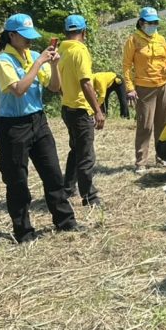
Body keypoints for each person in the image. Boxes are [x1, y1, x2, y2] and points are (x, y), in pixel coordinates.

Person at [0, 13, 82, 243]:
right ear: (11, 36)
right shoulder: (3, 60)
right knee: (17, 182)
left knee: (53, 174)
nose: (29, 41)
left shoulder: (33, 56)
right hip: (13, 127)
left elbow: (54, 86)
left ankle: (65, 221)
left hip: (38, 121)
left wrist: (53, 65)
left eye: (31, 36)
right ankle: (24, 231)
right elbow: (18, 89)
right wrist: (39, 62)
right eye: (25, 36)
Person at [123, 6, 166, 172]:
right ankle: (141, 162)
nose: (153, 25)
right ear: (141, 23)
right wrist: (130, 88)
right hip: (144, 88)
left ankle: (162, 158)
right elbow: (126, 66)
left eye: (155, 22)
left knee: (163, 123)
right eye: (150, 22)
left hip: (163, 84)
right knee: (145, 125)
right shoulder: (133, 40)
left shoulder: (160, 39)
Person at [57, 15, 106, 207]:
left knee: (76, 150)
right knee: (86, 155)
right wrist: (97, 110)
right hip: (80, 110)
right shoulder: (80, 51)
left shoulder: (61, 50)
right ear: (84, 32)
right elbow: (85, 82)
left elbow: (58, 82)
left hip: (67, 108)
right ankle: (89, 196)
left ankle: (68, 188)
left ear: (65, 32)